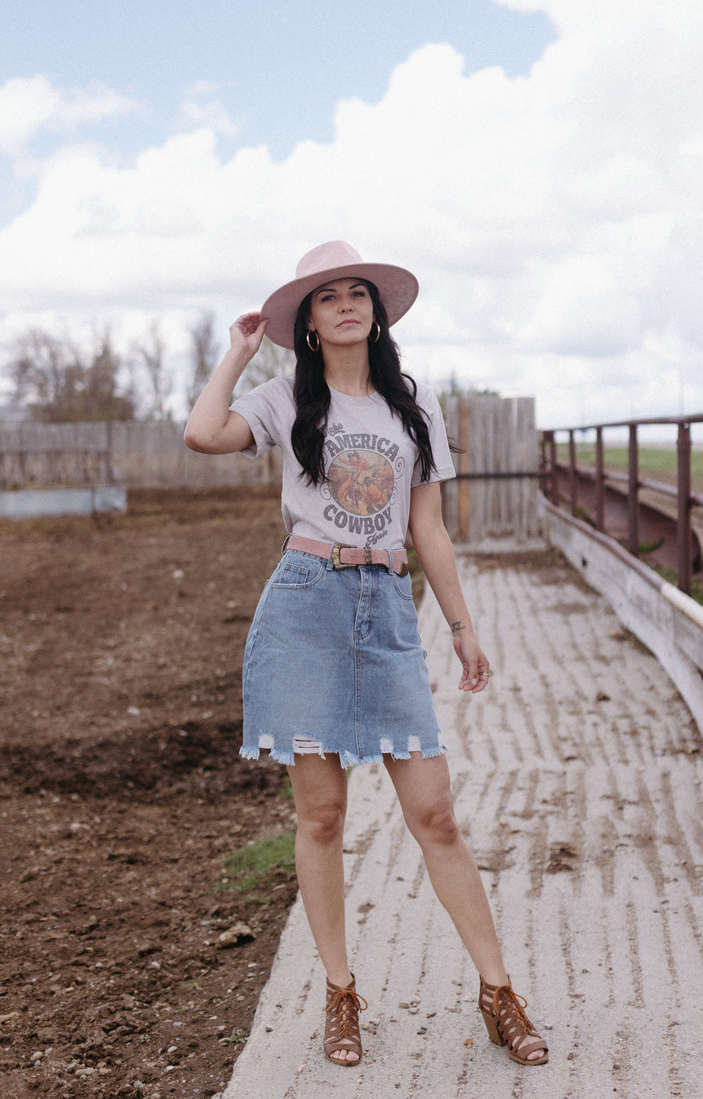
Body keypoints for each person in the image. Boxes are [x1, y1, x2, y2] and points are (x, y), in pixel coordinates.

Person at [184, 241, 548, 1068]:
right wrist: (239, 352)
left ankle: (498, 992)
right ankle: (341, 995)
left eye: (359, 293)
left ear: (377, 313)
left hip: (386, 611)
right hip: (306, 605)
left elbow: (429, 530)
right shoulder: (283, 399)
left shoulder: (412, 407)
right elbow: (203, 432)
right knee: (322, 818)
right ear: (307, 323)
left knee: (436, 816)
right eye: (328, 298)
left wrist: (460, 626)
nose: (347, 305)